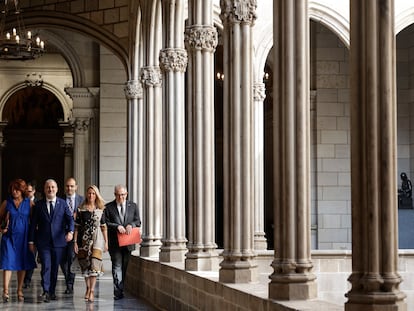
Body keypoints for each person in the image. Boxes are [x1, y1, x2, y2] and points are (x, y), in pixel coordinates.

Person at [28, 179, 74, 302]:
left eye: (53, 187)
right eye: (48, 187)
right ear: (44, 189)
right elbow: (33, 224)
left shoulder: (63, 204)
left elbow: (70, 220)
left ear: (57, 189)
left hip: (59, 242)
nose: (50, 189)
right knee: (46, 266)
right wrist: (31, 241)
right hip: (43, 243)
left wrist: (70, 232)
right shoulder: (39, 205)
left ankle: (52, 291)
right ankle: (46, 291)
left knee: (54, 268)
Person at [0, 179, 36, 302]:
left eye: (17, 189)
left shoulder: (29, 203)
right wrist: (2, 229)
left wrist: (33, 238)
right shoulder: (6, 203)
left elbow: (34, 221)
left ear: (22, 190)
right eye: (12, 189)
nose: (14, 192)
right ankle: (5, 291)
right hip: (9, 238)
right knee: (7, 263)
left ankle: (19, 290)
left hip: (24, 238)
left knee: (22, 264)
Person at [105, 184, 141, 300]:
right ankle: (117, 291)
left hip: (128, 242)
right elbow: (105, 223)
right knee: (117, 266)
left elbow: (138, 221)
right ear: (115, 195)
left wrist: (132, 224)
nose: (121, 197)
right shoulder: (108, 207)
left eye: (123, 195)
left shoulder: (133, 206)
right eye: (118, 195)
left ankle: (121, 287)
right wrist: (117, 226)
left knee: (124, 267)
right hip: (115, 243)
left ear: (126, 194)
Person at [73, 185, 108, 302]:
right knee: (85, 265)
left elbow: (104, 228)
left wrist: (106, 242)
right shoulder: (81, 209)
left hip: (97, 240)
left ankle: (92, 291)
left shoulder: (101, 210)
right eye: (89, 193)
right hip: (83, 239)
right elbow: (76, 227)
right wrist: (75, 242)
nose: (91, 195)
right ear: (86, 194)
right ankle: (87, 288)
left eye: (93, 193)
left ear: (96, 195)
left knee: (94, 264)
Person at [60, 177, 84, 294]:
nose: (69, 188)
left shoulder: (82, 200)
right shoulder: (60, 200)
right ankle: (67, 278)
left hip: (75, 235)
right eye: (67, 186)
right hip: (61, 234)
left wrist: (78, 216)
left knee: (71, 257)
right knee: (61, 260)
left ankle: (70, 284)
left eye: (72, 186)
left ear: (76, 187)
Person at [23, 182, 37, 289]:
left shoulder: (38, 203)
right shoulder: (22, 201)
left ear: (34, 191)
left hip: (35, 234)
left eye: (30, 190)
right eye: (26, 190)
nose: (28, 192)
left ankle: (27, 279)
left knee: (32, 256)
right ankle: (24, 279)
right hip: (23, 233)